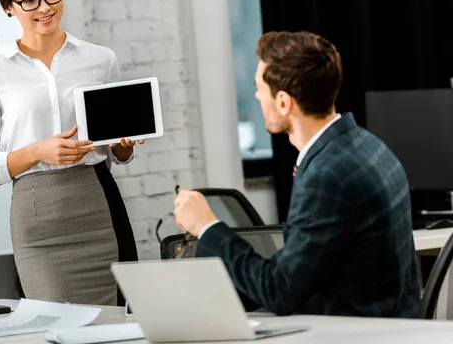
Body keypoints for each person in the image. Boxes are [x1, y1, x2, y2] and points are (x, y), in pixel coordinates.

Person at [174, 31, 420, 317]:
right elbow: (301, 267)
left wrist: (208, 227)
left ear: (283, 102)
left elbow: (280, 292)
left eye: (258, 89)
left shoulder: (327, 176)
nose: (256, 96)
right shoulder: (365, 144)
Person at [0, 0, 141, 306]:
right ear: (8, 6)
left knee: (115, 322)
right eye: (29, 0)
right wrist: (37, 152)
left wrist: (124, 145)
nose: (44, 7)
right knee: (53, 322)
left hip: (97, 203)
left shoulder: (100, 60)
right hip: (37, 217)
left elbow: (119, 153)